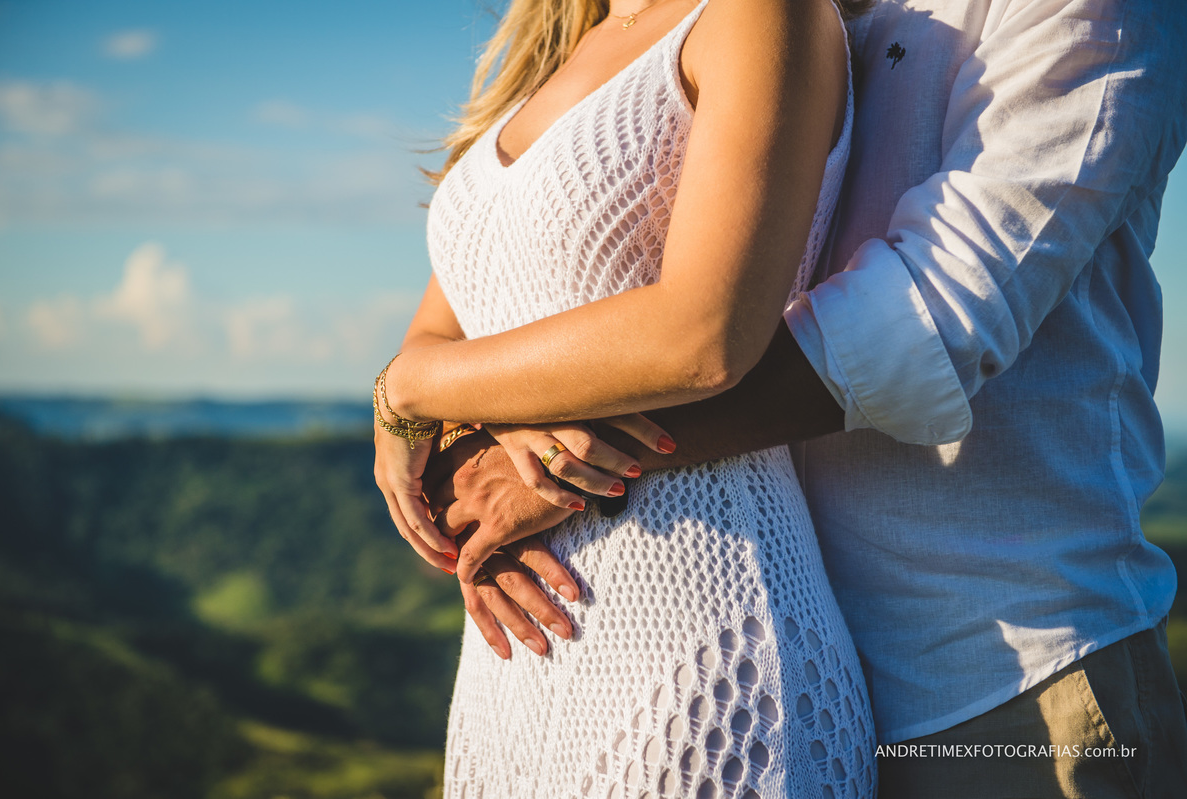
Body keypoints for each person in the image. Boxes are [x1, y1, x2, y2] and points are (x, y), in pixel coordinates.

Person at [415, 0, 1187, 796]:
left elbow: (932, 314)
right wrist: (447, 418)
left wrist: (564, 459)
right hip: (766, 630)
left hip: (999, 672)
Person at [372, 0, 880, 795]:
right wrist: (460, 405)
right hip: (511, 667)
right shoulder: (549, 63)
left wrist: (405, 389)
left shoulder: (756, 15)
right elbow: (439, 336)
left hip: (701, 643)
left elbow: (703, 335)